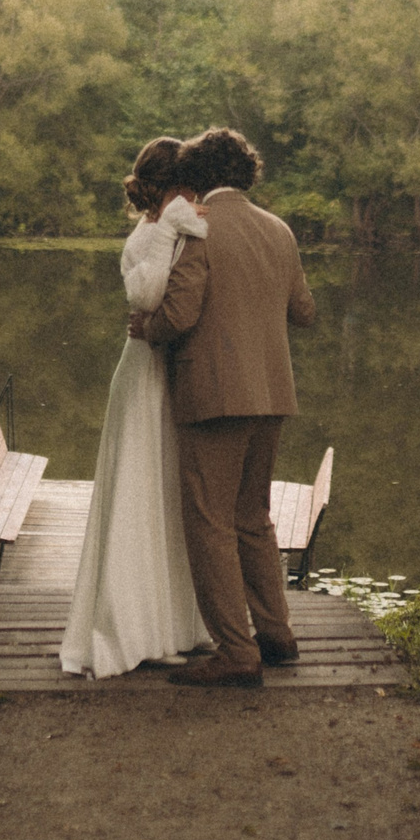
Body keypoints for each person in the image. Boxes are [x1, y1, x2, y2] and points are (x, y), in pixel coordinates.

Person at [133, 126, 317, 689]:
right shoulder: (279, 230)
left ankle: (237, 654)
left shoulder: (201, 230)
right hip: (272, 394)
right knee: (252, 517)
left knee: (209, 521)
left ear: (199, 177)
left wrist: (146, 327)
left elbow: (180, 314)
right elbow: (305, 311)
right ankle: (277, 635)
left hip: (214, 394)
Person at [57, 137, 212, 678]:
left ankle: (177, 623)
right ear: (170, 185)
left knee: (169, 493)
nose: (195, 195)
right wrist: (171, 226)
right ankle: (136, 629)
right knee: (140, 491)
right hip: (143, 370)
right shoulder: (149, 232)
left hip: (168, 368)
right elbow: (146, 298)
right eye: (188, 184)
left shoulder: (185, 223)